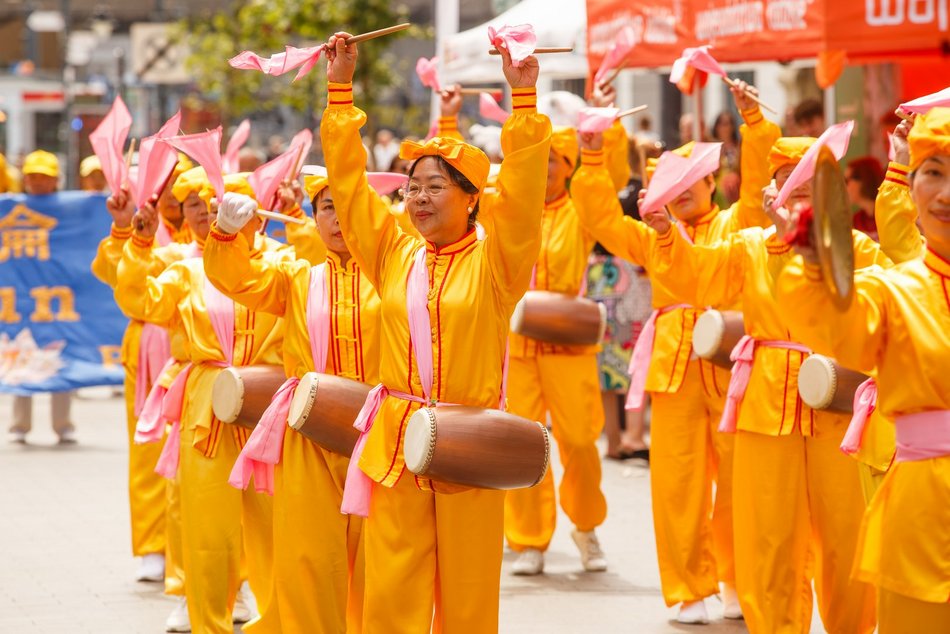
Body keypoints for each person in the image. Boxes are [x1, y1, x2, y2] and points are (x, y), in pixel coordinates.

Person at [321, 31, 550, 633]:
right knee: (391, 589)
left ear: (473, 201)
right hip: (397, 441)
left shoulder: (499, 264)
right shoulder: (393, 253)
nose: (418, 198)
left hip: (471, 445)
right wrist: (339, 92)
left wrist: (522, 101)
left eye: (434, 187)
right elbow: (348, 187)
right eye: (412, 187)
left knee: (468, 595)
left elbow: (525, 197)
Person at [639, 133, 881, 632]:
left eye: (810, 185)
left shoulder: (857, 248)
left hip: (837, 402)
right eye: (789, 185)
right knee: (768, 536)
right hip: (766, 403)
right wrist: (667, 234)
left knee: (846, 533)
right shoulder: (749, 246)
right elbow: (697, 277)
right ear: (771, 194)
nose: (799, 196)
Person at [572, 79, 777, 625]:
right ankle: (688, 587)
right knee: (677, 484)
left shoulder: (740, 224)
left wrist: (754, 124)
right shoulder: (651, 233)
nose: (682, 190)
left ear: (713, 181)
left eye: (692, 181)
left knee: (738, 483)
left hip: (734, 362)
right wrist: (592, 159)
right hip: (675, 367)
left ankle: (736, 579)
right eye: (671, 183)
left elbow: (758, 189)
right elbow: (600, 221)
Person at [776, 106, 950, 633]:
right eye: (935, 172)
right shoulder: (893, 289)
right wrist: (813, 264)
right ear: (911, 185)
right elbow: (841, 327)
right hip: (924, 509)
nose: (946, 192)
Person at [204, 171, 376, 634]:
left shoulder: (398, 272)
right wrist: (225, 234)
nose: (339, 219)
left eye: (348, 206)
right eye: (327, 209)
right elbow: (239, 280)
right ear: (314, 220)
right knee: (308, 553)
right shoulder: (298, 277)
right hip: (310, 431)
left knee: (377, 557)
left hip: (378, 433)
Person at [114, 172, 283, 634]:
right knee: (206, 516)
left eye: (235, 211)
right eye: (212, 212)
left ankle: (270, 612)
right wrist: (138, 244)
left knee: (270, 518)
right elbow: (139, 299)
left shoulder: (284, 265)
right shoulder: (186, 270)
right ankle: (203, 611)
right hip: (207, 400)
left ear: (262, 220)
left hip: (269, 401)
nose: (218, 218)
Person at [502, 84, 631, 576]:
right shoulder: (511, 207)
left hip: (570, 344)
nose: (551, 168)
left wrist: (605, 127)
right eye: (544, 160)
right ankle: (530, 538)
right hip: (519, 347)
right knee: (523, 441)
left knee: (579, 440)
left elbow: (610, 183)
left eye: (558, 159)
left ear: (569, 165)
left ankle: (585, 525)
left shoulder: (579, 208)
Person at [91, 154, 194, 588]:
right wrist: (123, 229)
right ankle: (152, 546)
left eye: (183, 188)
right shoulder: (141, 226)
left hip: (196, 352)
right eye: (166, 186)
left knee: (196, 453)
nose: (173, 195)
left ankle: (194, 549)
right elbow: (113, 274)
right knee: (148, 448)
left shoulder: (210, 229)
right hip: (148, 350)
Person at [594, 134, 660, 461]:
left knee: (607, 362)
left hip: (600, 277)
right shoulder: (643, 193)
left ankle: (613, 439)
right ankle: (634, 433)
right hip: (632, 276)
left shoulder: (606, 192)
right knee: (637, 356)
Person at [9, 150, 74, 445]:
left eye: (43, 177)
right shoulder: (11, 208)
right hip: (22, 300)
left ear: (55, 180)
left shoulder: (72, 210)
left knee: (61, 359)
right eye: (32, 176)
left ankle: (63, 425)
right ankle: (19, 425)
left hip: (59, 300)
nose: (37, 182)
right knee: (20, 357)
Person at [846, 156, 885, 240]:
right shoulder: (856, 220)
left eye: (846, 181)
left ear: (864, 179)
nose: (844, 187)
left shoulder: (890, 213)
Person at [710, 111, 740, 207]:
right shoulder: (711, 148)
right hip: (717, 192)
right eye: (723, 124)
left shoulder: (738, 147)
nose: (726, 128)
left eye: (729, 123)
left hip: (736, 191)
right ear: (717, 126)